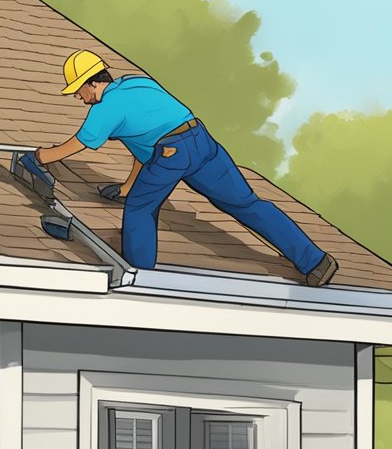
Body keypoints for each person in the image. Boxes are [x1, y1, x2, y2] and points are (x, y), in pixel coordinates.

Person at [35, 49, 338, 286]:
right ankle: (315, 261)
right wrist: (127, 188)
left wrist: (40, 157)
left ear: (93, 83)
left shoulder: (106, 109)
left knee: (140, 211)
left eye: (78, 89)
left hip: (172, 153)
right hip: (202, 142)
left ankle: (141, 280)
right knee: (246, 203)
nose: (77, 96)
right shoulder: (136, 83)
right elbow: (142, 149)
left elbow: (78, 144)